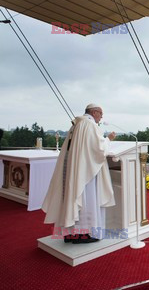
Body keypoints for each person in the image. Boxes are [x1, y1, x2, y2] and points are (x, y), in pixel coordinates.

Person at [42, 104, 116, 244]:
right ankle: (85, 233)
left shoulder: (76, 125)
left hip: (74, 170)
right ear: (94, 112)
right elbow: (99, 149)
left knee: (72, 197)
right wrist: (109, 139)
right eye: (101, 114)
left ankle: (70, 233)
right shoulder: (90, 124)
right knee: (86, 199)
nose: (101, 117)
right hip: (85, 174)